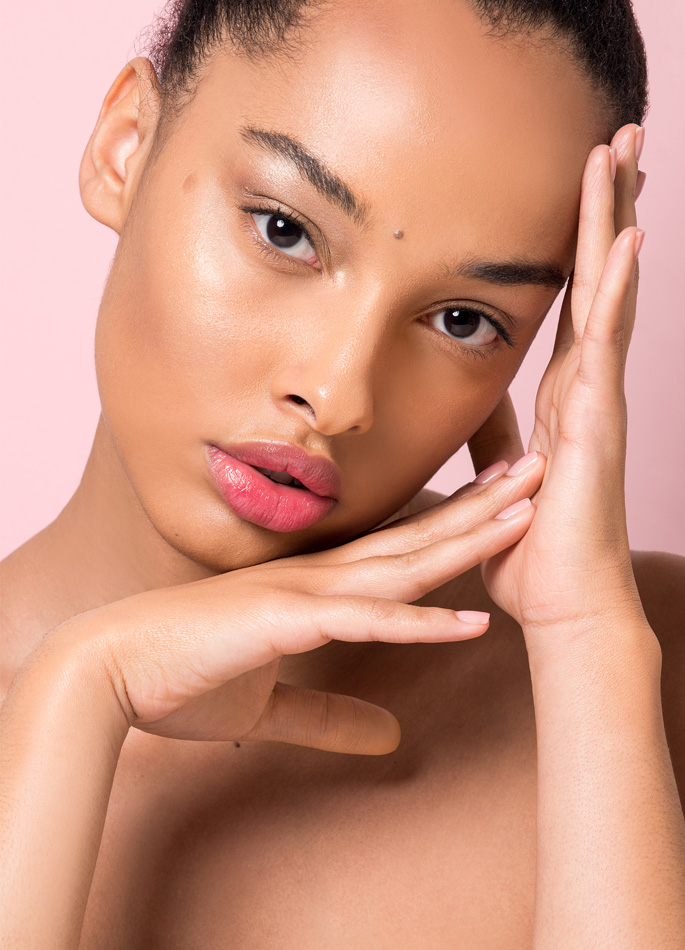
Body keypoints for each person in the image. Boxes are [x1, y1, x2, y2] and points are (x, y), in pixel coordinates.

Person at [1, 0, 684, 945]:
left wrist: (585, 643)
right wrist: (79, 692)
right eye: (285, 230)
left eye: (463, 321)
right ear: (125, 147)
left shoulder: (643, 665)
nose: (336, 394)